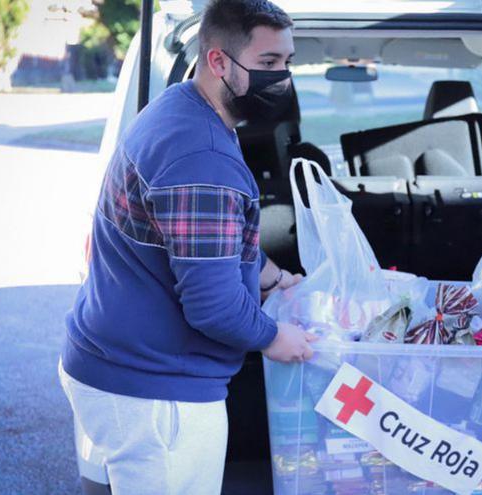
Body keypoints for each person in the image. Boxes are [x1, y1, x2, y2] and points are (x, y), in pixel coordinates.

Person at [58, 1, 313, 493]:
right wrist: (276, 337)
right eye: (267, 64)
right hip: (154, 395)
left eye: (287, 62)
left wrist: (275, 277)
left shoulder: (184, 108)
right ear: (218, 61)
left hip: (119, 368)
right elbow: (214, 306)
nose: (282, 77)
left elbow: (213, 241)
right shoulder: (202, 155)